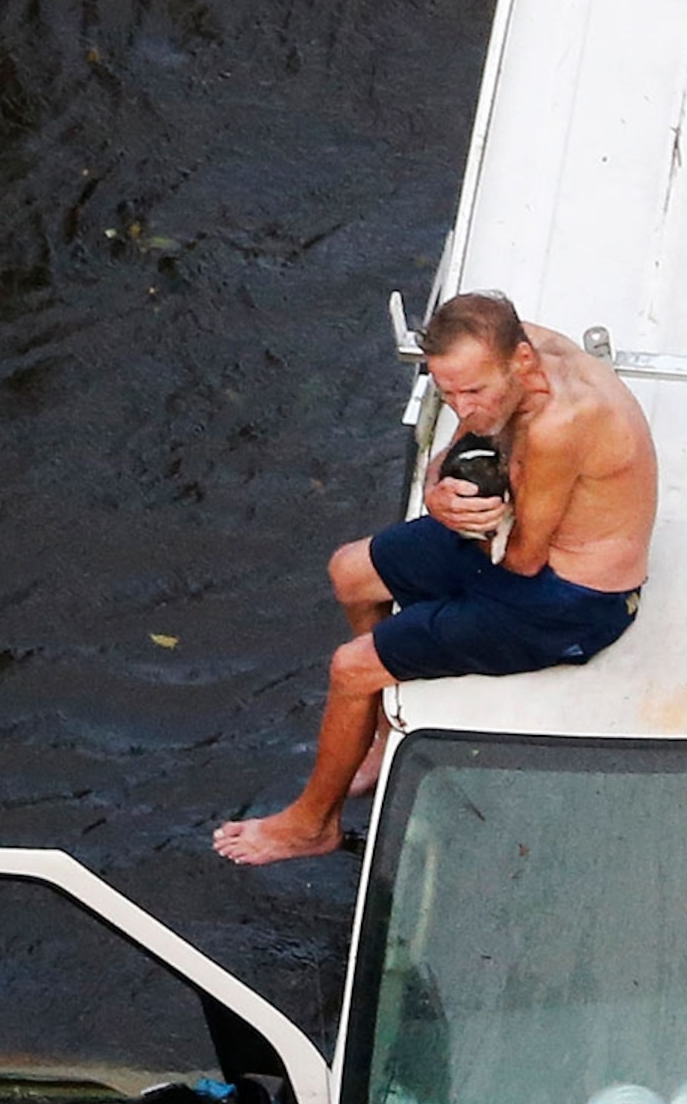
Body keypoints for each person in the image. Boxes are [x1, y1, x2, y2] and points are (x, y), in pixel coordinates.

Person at [214, 292, 656, 865]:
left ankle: (310, 825)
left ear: (520, 363)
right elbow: (469, 439)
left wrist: (453, 523)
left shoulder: (559, 426)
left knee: (352, 668)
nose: (462, 406)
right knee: (350, 571)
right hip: (514, 547)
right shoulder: (521, 343)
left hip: (570, 598)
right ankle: (373, 737)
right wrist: (437, 488)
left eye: (474, 392)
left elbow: (521, 560)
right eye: (447, 391)